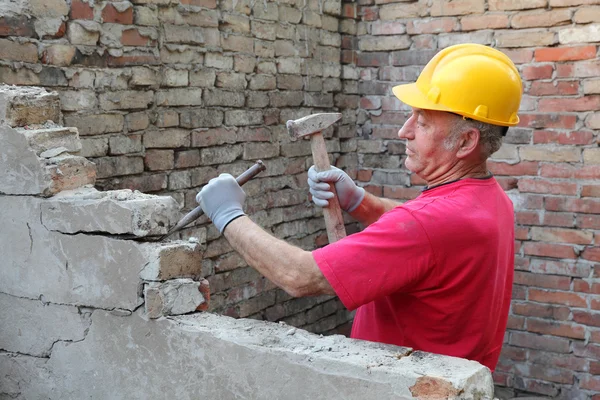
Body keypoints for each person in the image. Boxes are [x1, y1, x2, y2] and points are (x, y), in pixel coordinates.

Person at [196, 43, 522, 371]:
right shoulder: (493, 201)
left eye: (422, 122)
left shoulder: (428, 224)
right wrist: (360, 202)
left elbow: (299, 276)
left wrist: (228, 214)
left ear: (466, 141)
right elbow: (429, 238)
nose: (404, 131)